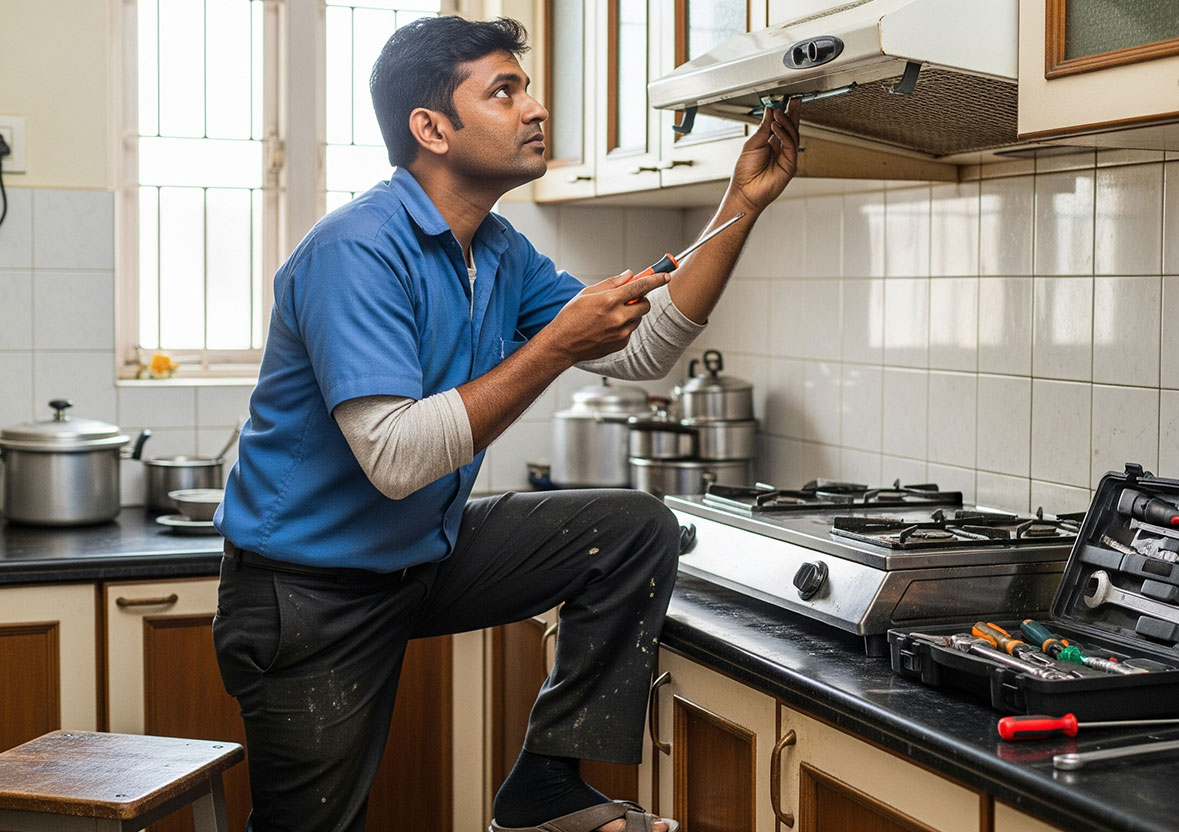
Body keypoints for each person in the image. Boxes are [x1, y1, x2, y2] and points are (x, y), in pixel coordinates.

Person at [211, 14, 800, 832]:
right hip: (308, 594)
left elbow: (644, 350)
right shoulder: (356, 250)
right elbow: (395, 458)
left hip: (422, 559)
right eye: (504, 90)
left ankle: (544, 788)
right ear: (432, 129)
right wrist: (556, 346)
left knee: (630, 530)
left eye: (526, 88)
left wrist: (741, 204)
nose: (535, 108)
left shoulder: (496, 249)